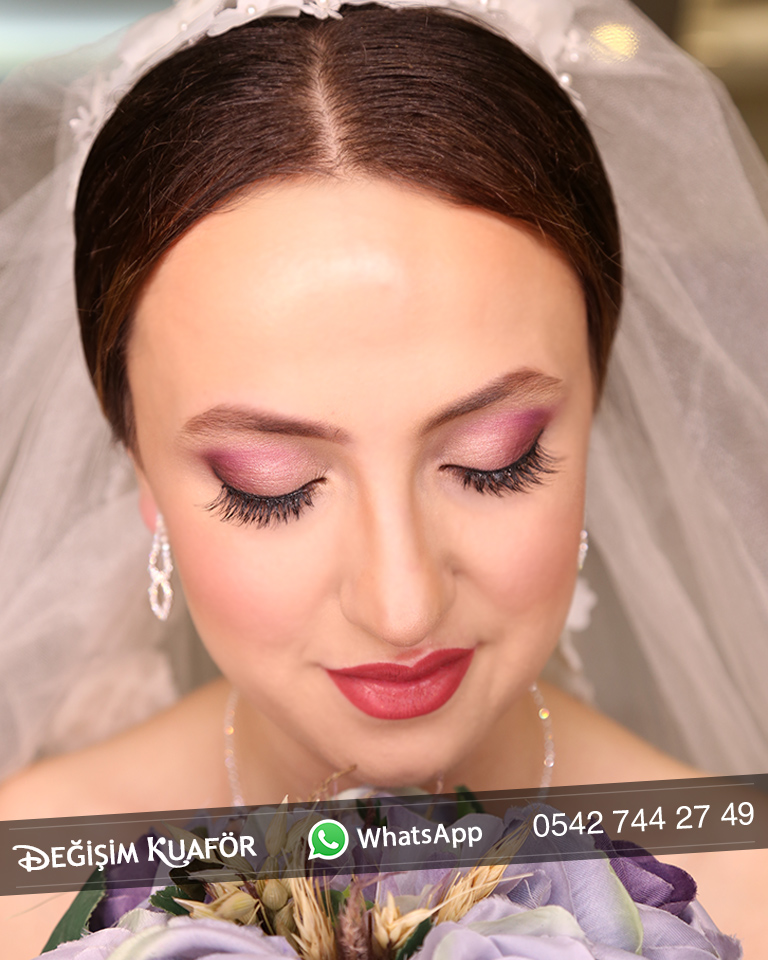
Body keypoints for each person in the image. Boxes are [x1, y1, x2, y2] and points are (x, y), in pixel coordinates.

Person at [0, 0, 766, 956]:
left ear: (592, 410)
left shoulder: (748, 893)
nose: (402, 609)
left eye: (495, 461)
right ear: (139, 468)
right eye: (270, 484)